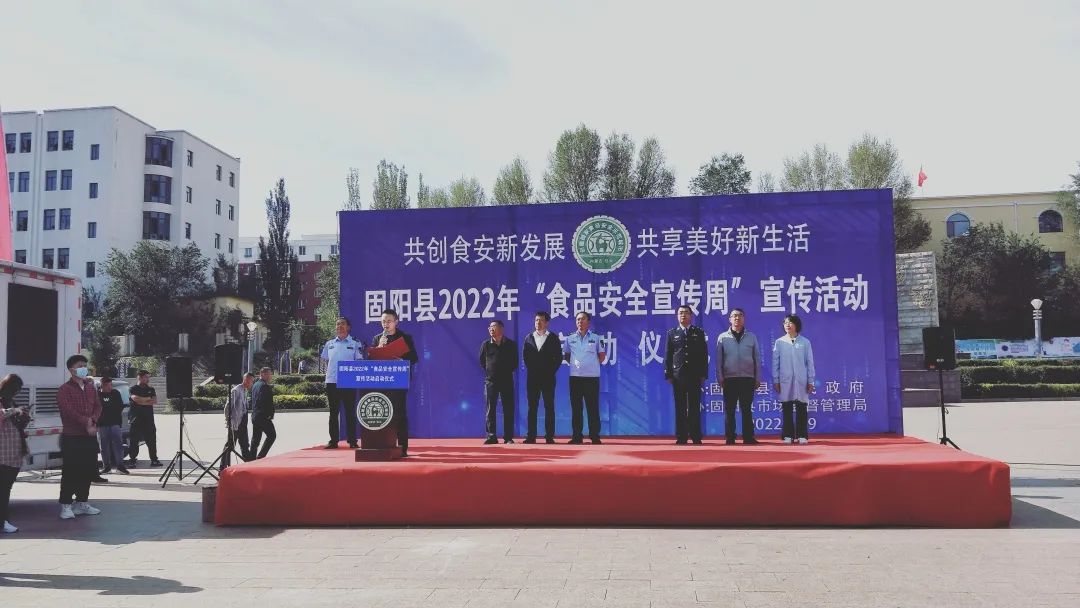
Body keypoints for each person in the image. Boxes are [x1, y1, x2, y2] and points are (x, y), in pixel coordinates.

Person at [57, 355, 103, 519]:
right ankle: (66, 505)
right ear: (71, 369)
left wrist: (94, 420)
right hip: (72, 436)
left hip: (89, 436)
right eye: (80, 366)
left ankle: (82, 502)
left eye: (85, 365)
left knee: (87, 469)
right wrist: (86, 421)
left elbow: (98, 407)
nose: (84, 368)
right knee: (71, 471)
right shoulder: (64, 389)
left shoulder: (91, 388)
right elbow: (68, 410)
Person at [372, 309, 418, 457]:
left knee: (399, 412)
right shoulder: (377, 338)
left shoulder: (405, 338)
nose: (386, 324)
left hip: (399, 379)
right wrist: (379, 348)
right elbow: (371, 360)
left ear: (396, 322)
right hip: (382, 380)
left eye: (389, 321)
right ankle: (385, 444)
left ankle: (403, 447)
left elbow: (414, 358)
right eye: (383, 321)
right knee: (384, 411)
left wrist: (402, 361)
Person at [664, 305, 709, 445]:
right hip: (678, 376)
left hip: (695, 375)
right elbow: (668, 355)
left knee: (694, 406)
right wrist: (668, 374)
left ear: (691, 316)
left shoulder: (698, 332)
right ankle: (681, 436)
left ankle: (696, 436)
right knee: (680, 407)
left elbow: (703, 354)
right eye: (680, 313)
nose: (683, 315)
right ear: (677, 316)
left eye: (686, 313)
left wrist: (703, 373)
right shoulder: (672, 333)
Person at [715, 308, 761, 445]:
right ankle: (730, 437)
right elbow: (718, 359)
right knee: (730, 410)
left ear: (744, 319)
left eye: (740, 315)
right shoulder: (723, 337)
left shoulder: (751, 337)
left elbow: (757, 358)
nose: (737, 318)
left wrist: (757, 377)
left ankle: (748, 437)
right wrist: (720, 377)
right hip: (729, 378)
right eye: (734, 316)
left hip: (747, 378)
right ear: (729, 319)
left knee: (746, 409)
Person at [563, 311, 606, 444]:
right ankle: (577, 436)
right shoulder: (570, 338)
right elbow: (567, 355)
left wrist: (590, 365)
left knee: (592, 407)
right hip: (575, 377)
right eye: (578, 320)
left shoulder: (596, 338)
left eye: (582, 319)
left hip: (591, 377)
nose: (580, 322)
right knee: (576, 408)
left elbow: (602, 356)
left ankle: (594, 436)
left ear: (588, 322)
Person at [772, 314, 816, 444]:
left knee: (802, 407)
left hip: (801, 380)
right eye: (785, 323)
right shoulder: (780, 342)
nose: (787, 325)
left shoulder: (805, 342)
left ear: (797, 325)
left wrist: (810, 380)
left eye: (790, 322)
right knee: (787, 407)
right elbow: (775, 363)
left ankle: (802, 435)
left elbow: (810, 362)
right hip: (785, 379)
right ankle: (788, 435)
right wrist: (776, 380)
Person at [321, 316, 363, 449]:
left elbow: (359, 362)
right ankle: (333, 441)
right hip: (332, 382)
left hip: (348, 382)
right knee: (333, 413)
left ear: (348, 327)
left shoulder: (355, 343)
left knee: (350, 412)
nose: (339, 326)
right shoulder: (329, 344)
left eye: (343, 324)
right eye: (338, 324)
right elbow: (326, 361)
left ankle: (352, 440)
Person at [522, 311, 562, 444]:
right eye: (536, 320)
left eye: (541, 320)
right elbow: (525, 357)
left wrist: (550, 371)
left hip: (548, 379)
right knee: (532, 407)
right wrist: (533, 370)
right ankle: (531, 436)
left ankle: (549, 436)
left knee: (549, 407)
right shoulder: (529, 337)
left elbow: (558, 358)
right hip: (532, 379)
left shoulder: (553, 338)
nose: (538, 323)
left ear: (547, 323)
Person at [480, 320, 519, 444]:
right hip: (491, 381)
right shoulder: (486, 345)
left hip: (506, 381)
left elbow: (515, 362)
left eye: (494, 327)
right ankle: (491, 436)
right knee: (490, 409)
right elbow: (482, 362)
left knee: (508, 409)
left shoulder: (510, 344)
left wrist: (504, 371)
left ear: (501, 329)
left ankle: (508, 437)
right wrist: (492, 372)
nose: (491, 329)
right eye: (490, 327)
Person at [1, 374, 29, 533]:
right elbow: (1, 414)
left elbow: (17, 424)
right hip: (3, 454)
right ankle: (3, 522)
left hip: (15, 453)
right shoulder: (2, 401)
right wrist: (14, 411)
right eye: (17, 389)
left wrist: (24, 416)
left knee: (6, 489)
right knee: (3, 490)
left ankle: (4, 520)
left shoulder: (11, 402)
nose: (18, 392)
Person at [127, 370, 161, 468]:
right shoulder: (133, 388)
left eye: (148, 377)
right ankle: (132, 460)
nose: (148, 379)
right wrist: (147, 399)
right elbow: (135, 399)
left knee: (152, 440)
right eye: (146, 377)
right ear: (140, 377)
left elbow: (154, 401)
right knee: (134, 441)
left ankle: (154, 459)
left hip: (148, 419)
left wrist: (142, 400)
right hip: (136, 419)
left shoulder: (151, 389)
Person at [96, 378, 128, 475]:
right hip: (102, 424)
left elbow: (120, 406)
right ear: (102, 385)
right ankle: (106, 467)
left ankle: (120, 466)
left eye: (111, 385)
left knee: (118, 444)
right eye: (108, 385)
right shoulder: (97, 394)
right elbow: (96, 408)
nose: (110, 387)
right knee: (104, 446)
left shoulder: (115, 393)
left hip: (115, 423)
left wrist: (109, 410)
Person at [224, 372, 255, 465]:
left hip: (243, 423)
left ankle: (248, 465)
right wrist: (228, 420)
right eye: (251, 381)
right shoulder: (236, 390)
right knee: (230, 446)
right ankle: (223, 466)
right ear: (246, 380)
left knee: (245, 445)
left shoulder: (244, 390)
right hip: (235, 423)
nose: (252, 384)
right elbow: (227, 407)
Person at [250, 367, 277, 459]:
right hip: (263, 417)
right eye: (269, 374)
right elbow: (266, 402)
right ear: (263, 374)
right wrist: (269, 415)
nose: (270, 376)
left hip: (255, 416)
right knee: (272, 435)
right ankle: (260, 457)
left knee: (255, 439)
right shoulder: (264, 386)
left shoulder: (255, 385)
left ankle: (251, 458)